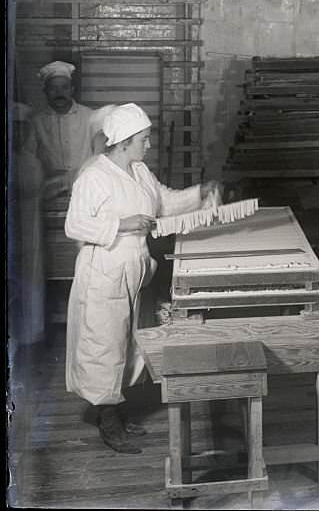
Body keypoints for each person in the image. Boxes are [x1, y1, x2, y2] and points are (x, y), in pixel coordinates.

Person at [64, 103, 222, 454]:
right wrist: (121, 225)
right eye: (144, 139)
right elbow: (73, 225)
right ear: (122, 141)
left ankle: (114, 409)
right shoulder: (94, 175)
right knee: (104, 344)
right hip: (103, 269)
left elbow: (163, 203)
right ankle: (107, 420)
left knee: (128, 342)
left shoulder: (139, 171)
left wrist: (200, 193)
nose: (148, 145)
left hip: (134, 267)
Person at [27, 61, 95, 199]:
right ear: (45, 91)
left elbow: (101, 155)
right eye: (53, 88)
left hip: (87, 191)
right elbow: (28, 158)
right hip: (50, 194)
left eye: (64, 88)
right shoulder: (36, 121)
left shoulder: (90, 116)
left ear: (72, 90)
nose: (59, 93)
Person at [10, 103, 47, 349]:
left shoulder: (29, 161)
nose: (18, 135)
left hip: (28, 230)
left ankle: (28, 339)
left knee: (27, 284)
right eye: (14, 129)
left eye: (23, 130)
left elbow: (36, 189)